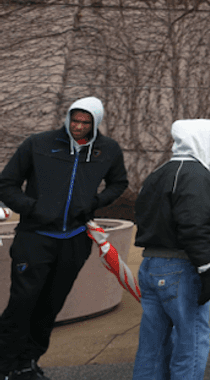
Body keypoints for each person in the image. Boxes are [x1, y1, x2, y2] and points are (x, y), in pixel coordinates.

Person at [0, 97, 128, 380]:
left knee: (51, 304)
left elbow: (119, 182)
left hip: (74, 239)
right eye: (75, 120)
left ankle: (27, 363)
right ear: (67, 117)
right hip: (35, 237)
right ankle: (5, 364)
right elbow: (6, 183)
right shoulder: (39, 144)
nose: (78, 126)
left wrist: (95, 201)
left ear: (95, 123)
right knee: (23, 303)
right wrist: (32, 208)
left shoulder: (106, 150)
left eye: (85, 122)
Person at [131, 119, 210, 380]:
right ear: (204, 141)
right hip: (180, 268)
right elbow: (195, 227)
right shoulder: (196, 177)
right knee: (192, 343)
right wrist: (207, 269)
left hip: (151, 264)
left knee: (152, 346)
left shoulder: (159, 173)